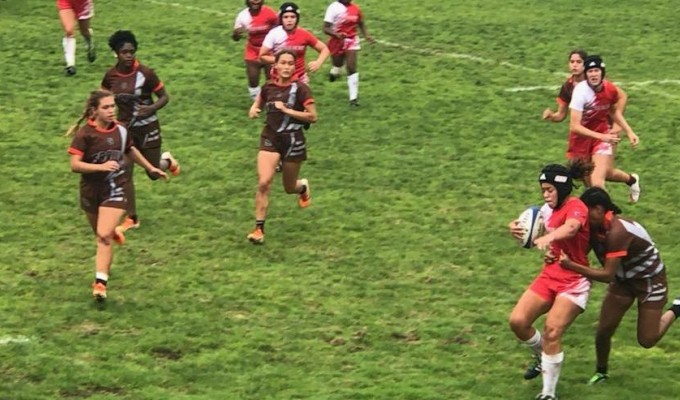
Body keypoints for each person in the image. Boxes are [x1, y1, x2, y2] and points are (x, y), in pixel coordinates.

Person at [559, 187, 680, 385]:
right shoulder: (593, 228)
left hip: (649, 281)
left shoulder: (618, 232)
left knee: (647, 340)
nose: (582, 218)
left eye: (585, 212)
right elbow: (580, 252)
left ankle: (677, 308)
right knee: (603, 331)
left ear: (598, 209)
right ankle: (601, 372)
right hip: (623, 280)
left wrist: (571, 266)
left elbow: (607, 275)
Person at [66, 90, 167, 300]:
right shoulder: (85, 135)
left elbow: (130, 150)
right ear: (94, 111)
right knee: (102, 235)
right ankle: (112, 234)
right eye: (106, 107)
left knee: (103, 236)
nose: (112, 111)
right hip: (91, 190)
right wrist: (100, 168)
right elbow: (75, 165)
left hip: (116, 188)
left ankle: (100, 284)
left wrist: (150, 168)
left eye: (113, 106)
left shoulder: (121, 130)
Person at [508, 160, 593, 400]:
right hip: (550, 274)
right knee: (518, 321)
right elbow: (531, 219)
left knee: (552, 332)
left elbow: (572, 228)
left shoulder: (577, 206)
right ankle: (540, 355)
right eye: (542, 190)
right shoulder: (549, 209)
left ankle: (548, 394)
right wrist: (513, 226)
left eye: (549, 190)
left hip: (575, 280)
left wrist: (549, 238)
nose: (545, 195)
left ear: (562, 188)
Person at [101, 30, 180, 235]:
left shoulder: (146, 74)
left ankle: (167, 162)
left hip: (148, 127)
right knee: (124, 171)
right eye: (124, 52)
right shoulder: (110, 76)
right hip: (125, 130)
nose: (129, 55)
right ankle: (132, 218)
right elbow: (104, 99)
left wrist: (152, 108)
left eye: (132, 51)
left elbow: (164, 96)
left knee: (153, 172)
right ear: (116, 53)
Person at [544, 50, 640, 201]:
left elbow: (614, 109)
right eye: (572, 62)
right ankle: (629, 182)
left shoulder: (609, 88)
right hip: (581, 138)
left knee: (597, 181)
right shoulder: (576, 90)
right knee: (588, 180)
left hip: (603, 135)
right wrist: (552, 116)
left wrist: (628, 131)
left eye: (596, 71)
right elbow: (573, 125)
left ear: (602, 73)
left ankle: (608, 216)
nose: (593, 74)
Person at [246, 50, 317, 244]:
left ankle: (302, 187)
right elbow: (258, 101)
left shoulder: (301, 89)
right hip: (270, 138)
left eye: (290, 63)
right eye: (282, 63)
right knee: (264, 182)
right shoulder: (268, 87)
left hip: (294, 140)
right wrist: (254, 109)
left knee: (289, 187)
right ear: (275, 66)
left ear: (295, 67)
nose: (286, 67)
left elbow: (313, 116)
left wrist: (287, 110)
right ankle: (259, 229)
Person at [259, 2, 330, 85]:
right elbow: (262, 56)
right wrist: (280, 61)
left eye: (293, 17)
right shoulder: (274, 34)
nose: (289, 20)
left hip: (300, 78)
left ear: (297, 18)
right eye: (285, 17)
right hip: (278, 78)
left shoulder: (304, 34)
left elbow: (324, 49)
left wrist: (318, 63)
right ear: (281, 19)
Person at [323, 0, 374, 106]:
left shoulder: (355, 8)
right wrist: (336, 35)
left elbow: (361, 22)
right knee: (337, 64)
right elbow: (325, 28)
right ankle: (335, 71)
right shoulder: (333, 7)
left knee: (351, 67)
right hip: (336, 41)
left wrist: (366, 35)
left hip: (351, 40)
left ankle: (353, 99)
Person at [232, 0, 279, 101]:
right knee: (253, 79)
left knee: (271, 78)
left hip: (269, 50)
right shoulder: (242, 16)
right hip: (252, 50)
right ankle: (257, 103)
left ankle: (272, 101)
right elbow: (235, 38)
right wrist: (236, 34)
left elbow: (279, 28)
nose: (255, 1)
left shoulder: (270, 13)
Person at [56, 0, 96, 75]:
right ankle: (70, 65)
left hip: (83, 3)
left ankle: (89, 44)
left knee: (84, 31)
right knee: (69, 30)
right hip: (66, 2)